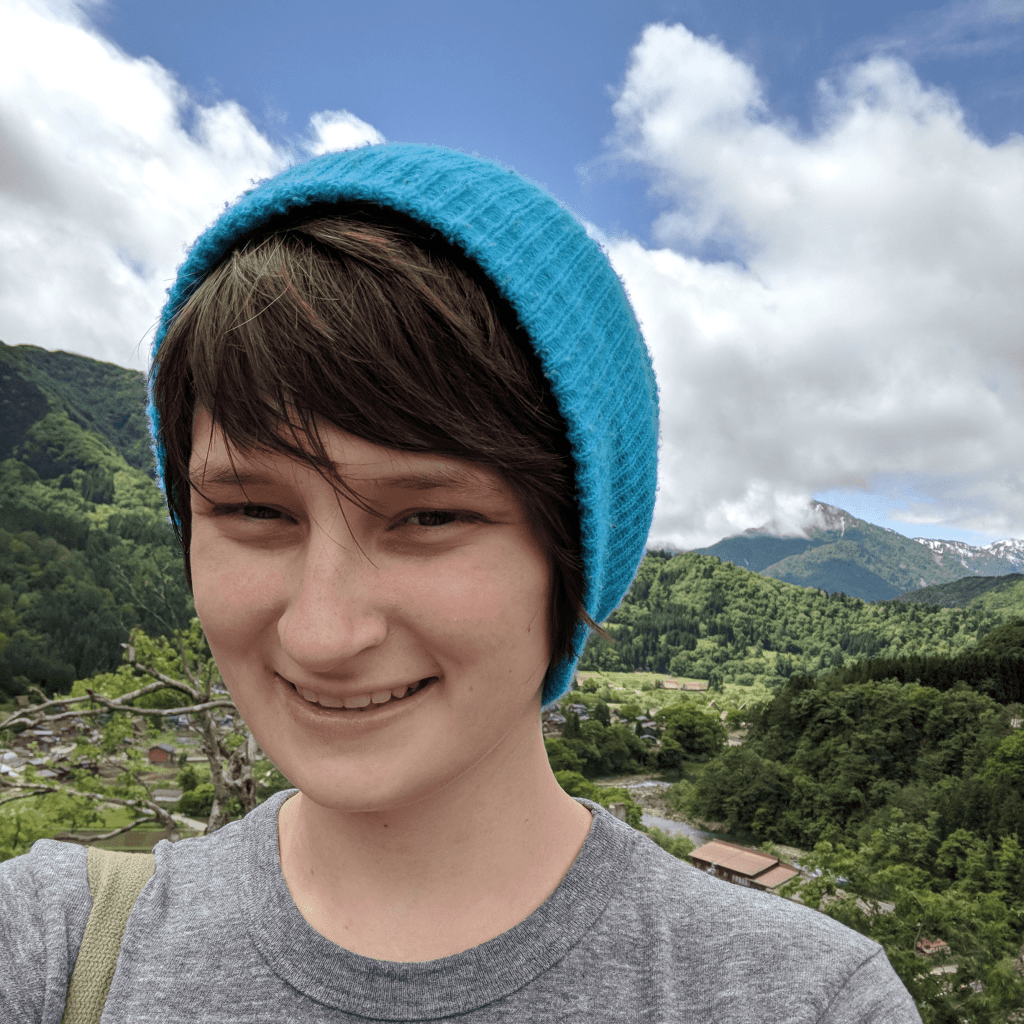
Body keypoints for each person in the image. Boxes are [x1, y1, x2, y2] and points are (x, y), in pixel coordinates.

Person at [0, 142, 922, 1022]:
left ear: (575, 561)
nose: (324, 632)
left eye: (428, 517)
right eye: (255, 512)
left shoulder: (804, 1001)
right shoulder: (54, 947)